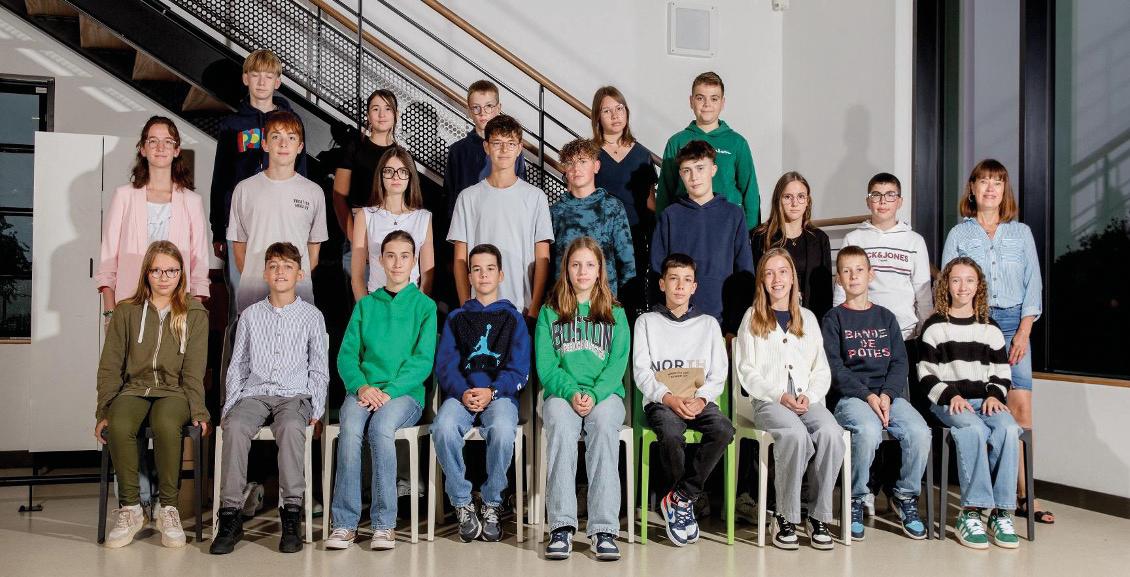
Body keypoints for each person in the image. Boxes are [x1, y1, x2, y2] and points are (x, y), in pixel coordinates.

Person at [940, 159, 1049, 524]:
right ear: (972, 189)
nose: (990, 188)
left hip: (1015, 323)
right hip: (975, 325)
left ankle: (1024, 495)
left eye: (997, 183)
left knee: (1020, 410)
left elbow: (1033, 283)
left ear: (1005, 191)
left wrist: (1024, 330)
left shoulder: (1021, 233)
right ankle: (985, 498)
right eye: (983, 181)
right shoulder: (959, 234)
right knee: (981, 406)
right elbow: (949, 284)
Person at [210, 242, 329, 555]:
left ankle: (291, 513)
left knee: (291, 428)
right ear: (264, 273)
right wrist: (230, 405)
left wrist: (316, 409)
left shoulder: (311, 316)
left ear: (299, 274)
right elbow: (238, 365)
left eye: (288, 267)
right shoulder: (250, 316)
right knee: (235, 427)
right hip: (255, 393)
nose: (280, 272)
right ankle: (230, 514)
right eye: (274, 266)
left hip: (294, 395)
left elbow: (319, 368)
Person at [95, 241, 209, 549]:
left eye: (171, 271)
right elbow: (110, 366)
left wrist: (198, 411)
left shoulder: (194, 313)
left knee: (166, 423)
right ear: (146, 272)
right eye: (156, 270)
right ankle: (131, 509)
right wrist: (104, 411)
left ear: (181, 273)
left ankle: (167, 508)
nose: (164, 277)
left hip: (174, 391)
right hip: (134, 388)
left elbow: (194, 370)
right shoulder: (126, 311)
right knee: (119, 424)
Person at [329, 230, 438, 550]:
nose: (397, 263)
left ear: (414, 262)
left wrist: (389, 392)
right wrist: (362, 386)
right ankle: (344, 523)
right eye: (390, 256)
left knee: (380, 428)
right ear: (380, 260)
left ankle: (383, 524)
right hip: (363, 390)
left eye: (404, 256)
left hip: (404, 394)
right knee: (350, 427)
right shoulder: (365, 305)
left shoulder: (425, 307)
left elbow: (422, 361)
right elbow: (347, 356)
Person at [732, 248, 844, 551]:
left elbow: (821, 368)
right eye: (769, 273)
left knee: (831, 433)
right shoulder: (752, 317)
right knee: (794, 435)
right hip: (769, 402)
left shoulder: (808, 318)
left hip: (807, 401)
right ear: (762, 281)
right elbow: (747, 370)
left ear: (793, 277)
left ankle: (818, 516)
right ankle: (785, 514)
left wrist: (810, 395)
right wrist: (778, 395)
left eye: (782, 271)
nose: (776, 279)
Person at [823, 245, 930, 541]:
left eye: (859, 270)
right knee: (868, 431)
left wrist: (887, 395)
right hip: (851, 398)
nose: (853, 276)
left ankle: (904, 496)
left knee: (920, 432)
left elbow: (900, 362)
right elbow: (835, 368)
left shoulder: (886, 317)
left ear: (871, 275)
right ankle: (856, 498)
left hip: (888, 396)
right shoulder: (833, 319)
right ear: (839, 279)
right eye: (846, 271)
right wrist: (868, 396)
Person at [917, 256, 1022, 549]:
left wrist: (994, 395)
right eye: (956, 280)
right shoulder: (935, 327)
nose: (963, 287)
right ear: (946, 286)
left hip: (985, 400)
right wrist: (951, 396)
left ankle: (1001, 512)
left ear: (979, 286)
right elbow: (926, 374)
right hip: (948, 402)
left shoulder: (990, 327)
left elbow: (1002, 372)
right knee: (973, 429)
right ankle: (971, 511)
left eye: (969, 280)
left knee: (1008, 429)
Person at [537, 237, 630, 561]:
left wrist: (592, 394)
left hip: (604, 394)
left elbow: (616, 367)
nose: (582, 271)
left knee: (603, 427)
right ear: (566, 269)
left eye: (590, 265)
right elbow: (547, 367)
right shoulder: (550, 312)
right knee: (562, 428)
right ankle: (561, 527)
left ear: (600, 270)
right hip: (562, 394)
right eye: (576, 264)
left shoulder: (616, 313)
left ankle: (604, 530)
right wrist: (571, 392)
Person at [430, 243, 529, 543]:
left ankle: (492, 502)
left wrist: (493, 391)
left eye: (489, 269)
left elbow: (519, 368)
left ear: (500, 275)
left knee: (502, 430)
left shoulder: (513, 318)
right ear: (469, 277)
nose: (483, 275)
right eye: (476, 269)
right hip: (462, 395)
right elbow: (445, 365)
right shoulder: (457, 318)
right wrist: (463, 392)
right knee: (443, 427)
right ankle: (462, 502)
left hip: (499, 396)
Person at [632, 253, 733, 546]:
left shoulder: (708, 324)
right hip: (662, 401)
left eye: (686, 280)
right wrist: (667, 398)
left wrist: (701, 399)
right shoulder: (647, 322)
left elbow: (719, 373)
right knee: (671, 432)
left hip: (699, 400)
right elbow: (642, 371)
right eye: (673, 279)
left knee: (724, 430)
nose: (679, 286)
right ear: (662, 284)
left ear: (694, 287)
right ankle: (682, 505)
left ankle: (680, 497)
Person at [210, 49, 308, 292]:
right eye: (255, 75)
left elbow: (302, 174)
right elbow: (221, 178)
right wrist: (218, 230)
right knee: (243, 292)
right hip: (242, 221)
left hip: (283, 219)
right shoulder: (232, 125)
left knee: (284, 291)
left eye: (268, 76)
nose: (262, 82)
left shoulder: (292, 121)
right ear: (246, 78)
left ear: (277, 82)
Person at [448, 114, 553, 323]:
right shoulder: (468, 197)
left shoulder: (536, 197)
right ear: (486, 147)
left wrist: (533, 309)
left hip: (521, 308)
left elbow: (542, 258)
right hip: (478, 307)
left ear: (519, 148)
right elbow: (460, 259)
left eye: (510, 143)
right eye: (497, 143)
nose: (504, 150)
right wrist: (465, 306)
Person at [227, 110, 328, 313]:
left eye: (291, 138)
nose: (283, 144)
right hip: (253, 297)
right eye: (276, 137)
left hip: (299, 298)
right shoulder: (244, 189)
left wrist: (288, 283)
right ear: (265, 144)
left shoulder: (314, 192)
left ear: (300, 147)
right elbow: (239, 251)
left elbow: (313, 255)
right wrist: (262, 279)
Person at [650, 140, 753, 327]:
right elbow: (658, 271)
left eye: (700, 168)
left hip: (723, 321)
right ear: (680, 174)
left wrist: (735, 323)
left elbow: (744, 274)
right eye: (687, 170)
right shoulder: (670, 216)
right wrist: (664, 319)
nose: (694, 177)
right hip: (677, 321)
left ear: (713, 170)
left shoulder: (733, 215)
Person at [833, 173, 932, 340]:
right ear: (868, 201)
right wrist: (839, 327)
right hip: (862, 333)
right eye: (876, 195)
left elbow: (923, 295)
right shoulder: (853, 239)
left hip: (904, 334)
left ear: (900, 202)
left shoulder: (915, 241)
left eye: (890, 195)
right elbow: (841, 288)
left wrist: (925, 334)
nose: (883, 201)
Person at [656, 71, 759, 229]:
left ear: (722, 103)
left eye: (714, 98)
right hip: (686, 225)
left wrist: (750, 232)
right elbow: (665, 192)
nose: (707, 104)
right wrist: (662, 229)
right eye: (700, 98)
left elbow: (750, 191)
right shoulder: (676, 142)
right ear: (691, 101)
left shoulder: (737, 143)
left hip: (727, 227)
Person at [549, 138, 636, 295]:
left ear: (596, 166)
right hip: (564, 299)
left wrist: (618, 300)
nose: (576, 168)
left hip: (603, 299)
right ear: (565, 169)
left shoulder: (612, 207)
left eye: (583, 161)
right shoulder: (555, 211)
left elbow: (627, 260)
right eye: (570, 163)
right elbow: (549, 262)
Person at [350, 146, 435, 301]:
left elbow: (427, 276)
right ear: (381, 175)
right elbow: (357, 277)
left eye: (402, 171)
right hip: (376, 301)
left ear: (410, 176)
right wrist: (365, 310)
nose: (396, 177)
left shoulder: (423, 218)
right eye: (389, 171)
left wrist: (418, 308)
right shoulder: (365, 216)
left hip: (411, 303)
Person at [749, 171, 832, 323]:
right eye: (788, 197)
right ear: (778, 200)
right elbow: (753, 284)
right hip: (770, 318)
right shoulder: (760, 237)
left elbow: (825, 291)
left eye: (801, 196)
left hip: (810, 319)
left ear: (807, 201)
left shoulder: (820, 239)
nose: (795, 203)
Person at [591, 86, 658, 267]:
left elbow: (650, 203)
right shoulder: (589, 153)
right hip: (600, 238)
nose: (615, 115)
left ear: (626, 112)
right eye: (607, 111)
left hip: (635, 238)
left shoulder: (642, 154)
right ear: (597, 116)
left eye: (619, 108)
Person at [334, 89, 398, 276]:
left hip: (391, 236)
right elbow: (339, 197)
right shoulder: (354, 148)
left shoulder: (400, 155)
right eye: (375, 109)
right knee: (359, 292)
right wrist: (356, 240)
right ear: (368, 115)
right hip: (358, 231)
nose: (382, 114)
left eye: (387, 109)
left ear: (396, 114)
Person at [443, 80, 527, 221]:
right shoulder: (458, 150)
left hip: (505, 219)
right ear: (469, 111)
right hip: (468, 221)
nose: (482, 113)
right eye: (476, 107)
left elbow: (521, 188)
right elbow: (450, 195)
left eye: (488, 106)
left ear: (498, 108)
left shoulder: (511, 149)